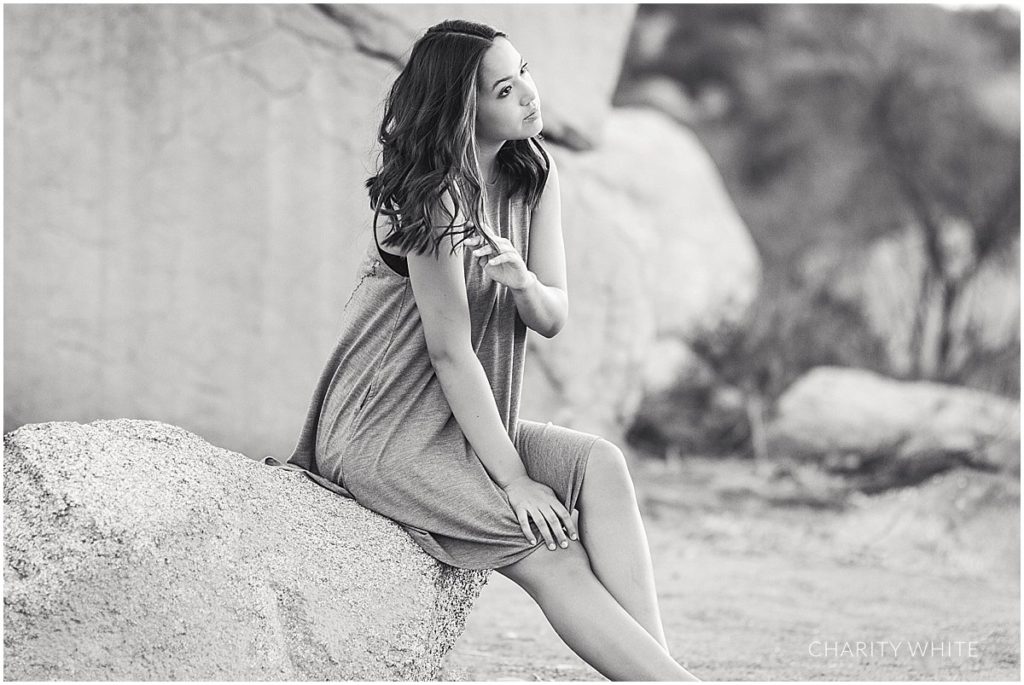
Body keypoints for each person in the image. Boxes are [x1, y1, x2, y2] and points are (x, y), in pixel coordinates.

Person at [266, 18, 700, 682]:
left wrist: (521, 280)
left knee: (600, 466)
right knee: (550, 549)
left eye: (523, 71)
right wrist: (516, 480)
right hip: (388, 432)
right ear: (463, 109)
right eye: (505, 89)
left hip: (466, 422)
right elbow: (450, 354)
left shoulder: (534, 173)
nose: (529, 94)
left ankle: (660, 672)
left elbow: (553, 315)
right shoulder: (433, 201)